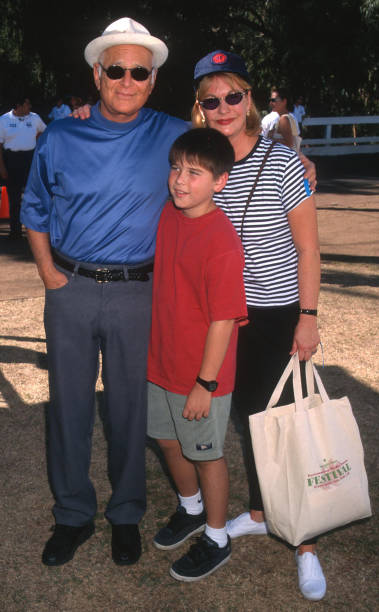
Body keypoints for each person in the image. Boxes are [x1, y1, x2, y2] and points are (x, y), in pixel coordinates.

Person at [20, 17, 187, 568]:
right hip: (69, 289)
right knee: (67, 406)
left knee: (128, 410)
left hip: (139, 293)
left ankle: (125, 514)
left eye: (139, 71)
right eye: (115, 69)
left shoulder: (171, 134)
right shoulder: (63, 134)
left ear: (153, 80)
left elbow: (227, 155)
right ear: (97, 74)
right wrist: (48, 273)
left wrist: (295, 157)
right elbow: (36, 208)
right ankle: (72, 515)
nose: (126, 80)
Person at [191, 50, 325, 601]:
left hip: (275, 314)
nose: (223, 108)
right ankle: (260, 511)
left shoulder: (285, 162)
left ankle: (307, 545)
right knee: (249, 418)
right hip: (224, 317)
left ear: (251, 98)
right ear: (199, 108)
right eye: (211, 100)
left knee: (286, 426)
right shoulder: (198, 161)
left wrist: (309, 316)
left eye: (233, 96)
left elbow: (309, 248)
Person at [147, 127, 247, 582]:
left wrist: (205, 385)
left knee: (205, 454)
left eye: (194, 173)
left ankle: (217, 536)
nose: (180, 181)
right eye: (176, 168)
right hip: (160, 362)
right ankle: (190, 510)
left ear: (219, 182)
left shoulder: (222, 240)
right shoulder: (170, 213)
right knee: (168, 441)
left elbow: (223, 320)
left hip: (201, 375)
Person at [0, 97, 46, 239]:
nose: (30, 106)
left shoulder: (34, 118)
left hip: (30, 159)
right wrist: (2, 167)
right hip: (11, 160)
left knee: (32, 197)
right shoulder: (4, 120)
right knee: (14, 198)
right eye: (27, 104)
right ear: (18, 106)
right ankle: (15, 231)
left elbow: (44, 132)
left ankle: (34, 231)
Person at [268, 87, 302, 152]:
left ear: (284, 101)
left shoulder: (284, 119)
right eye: (270, 100)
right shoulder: (291, 117)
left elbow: (289, 144)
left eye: (273, 100)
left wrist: (270, 139)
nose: (270, 103)